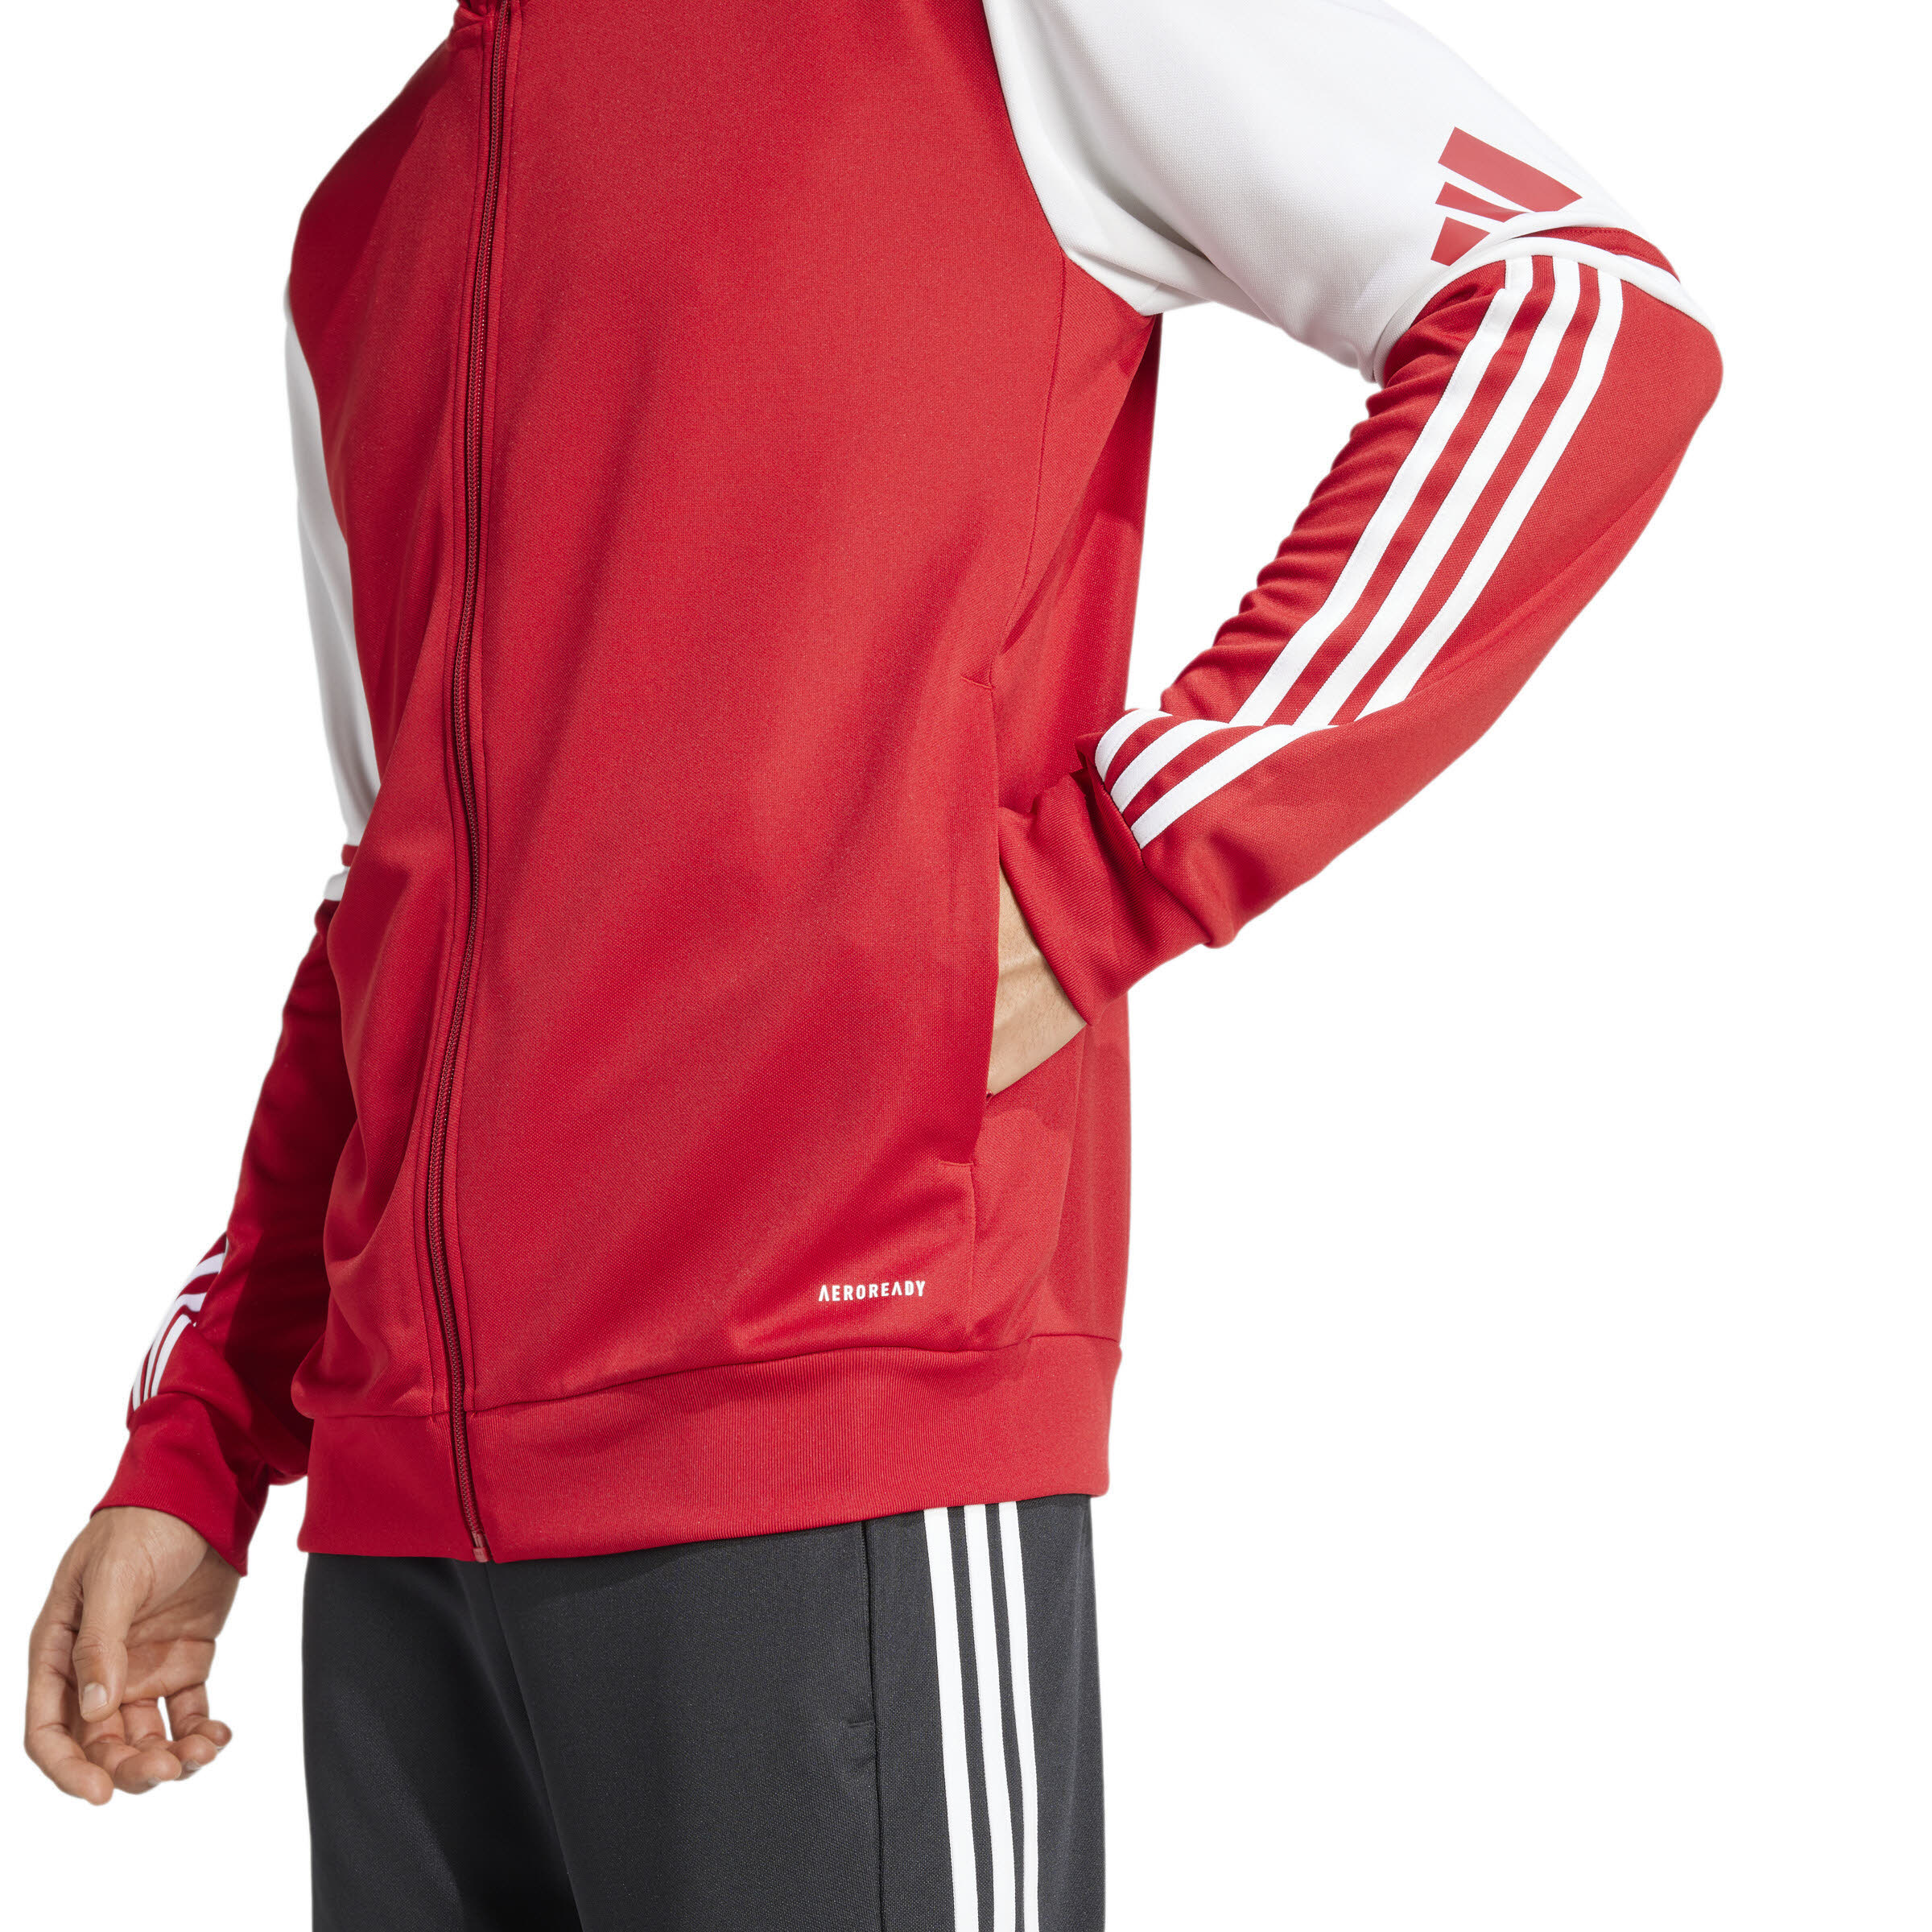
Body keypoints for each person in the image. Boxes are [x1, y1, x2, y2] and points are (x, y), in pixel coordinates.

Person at [24, 2, 1720, 1925]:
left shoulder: (975, 24)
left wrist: (1108, 879)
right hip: (403, 1549)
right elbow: (397, 902)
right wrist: (200, 1446)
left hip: (818, 1423)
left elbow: (1580, 317)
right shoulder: (363, 219)